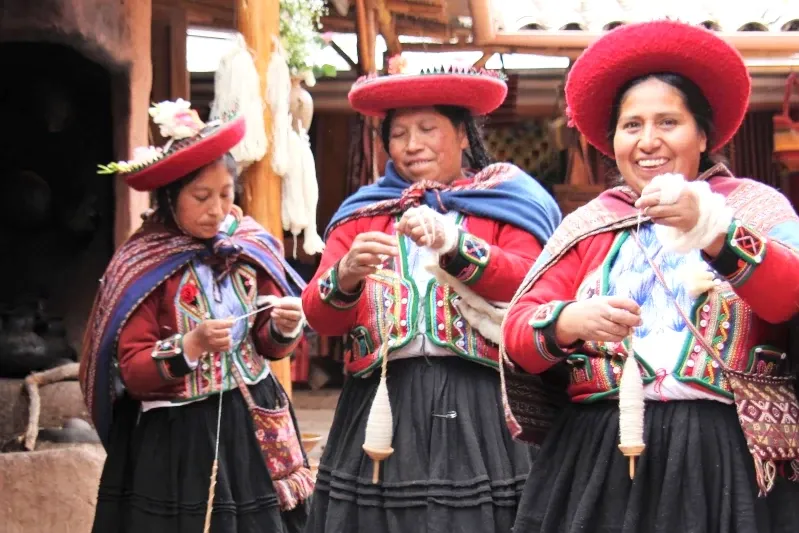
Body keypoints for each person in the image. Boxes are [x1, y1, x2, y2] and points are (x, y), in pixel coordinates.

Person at [502, 20, 799, 533]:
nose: (648, 141)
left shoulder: (753, 207)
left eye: (668, 122)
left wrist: (711, 230)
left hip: (723, 452)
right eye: (632, 125)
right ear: (612, 139)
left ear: (703, 134)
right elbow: (517, 332)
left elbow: (788, 296)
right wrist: (569, 320)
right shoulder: (590, 223)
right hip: (597, 451)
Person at [301, 58, 562, 533]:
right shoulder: (363, 214)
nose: (412, 145)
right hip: (380, 400)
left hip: (480, 398)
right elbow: (322, 318)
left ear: (464, 134)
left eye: (428, 128)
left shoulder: (509, 201)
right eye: (399, 134)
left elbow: (530, 281)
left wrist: (455, 245)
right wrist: (346, 275)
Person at [79, 100, 312, 533]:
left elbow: (265, 343)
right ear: (170, 197)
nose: (217, 209)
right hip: (179, 439)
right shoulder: (143, 264)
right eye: (201, 197)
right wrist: (192, 344)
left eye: (226, 195)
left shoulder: (248, 247)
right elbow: (131, 370)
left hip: (251, 426)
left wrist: (282, 326)